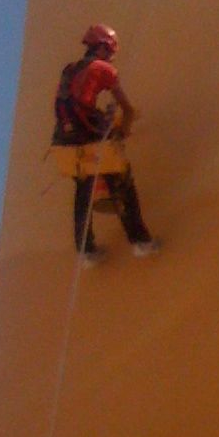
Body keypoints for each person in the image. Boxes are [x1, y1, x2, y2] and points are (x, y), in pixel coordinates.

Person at [51, 24, 160, 263]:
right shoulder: (104, 69)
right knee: (122, 185)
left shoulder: (69, 70)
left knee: (84, 190)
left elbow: (77, 102)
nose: (111, 56)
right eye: (110, 50)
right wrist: (124, 127)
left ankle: (85, 251)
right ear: (102, 47)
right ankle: (141, 242)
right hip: (91, 140)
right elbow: (127, 108)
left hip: (65, 140)